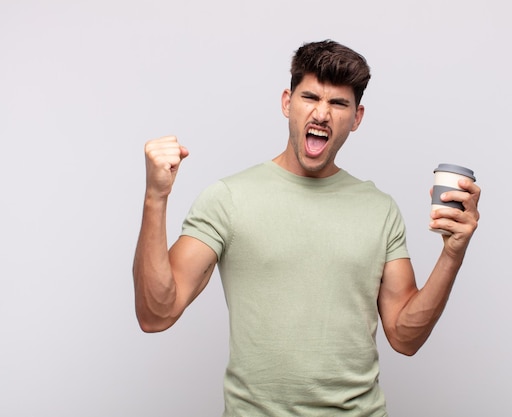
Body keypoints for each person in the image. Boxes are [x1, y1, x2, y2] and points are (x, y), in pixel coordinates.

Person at [133, 39, 481, 416]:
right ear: (287, 102)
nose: (322, 113)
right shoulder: (228, 198)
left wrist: (452, 253)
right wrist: (156, 197)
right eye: (310, 97)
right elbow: (156, 314)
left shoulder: (379, 210)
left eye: (338, 103)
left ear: (357, 117)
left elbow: (404, 336)